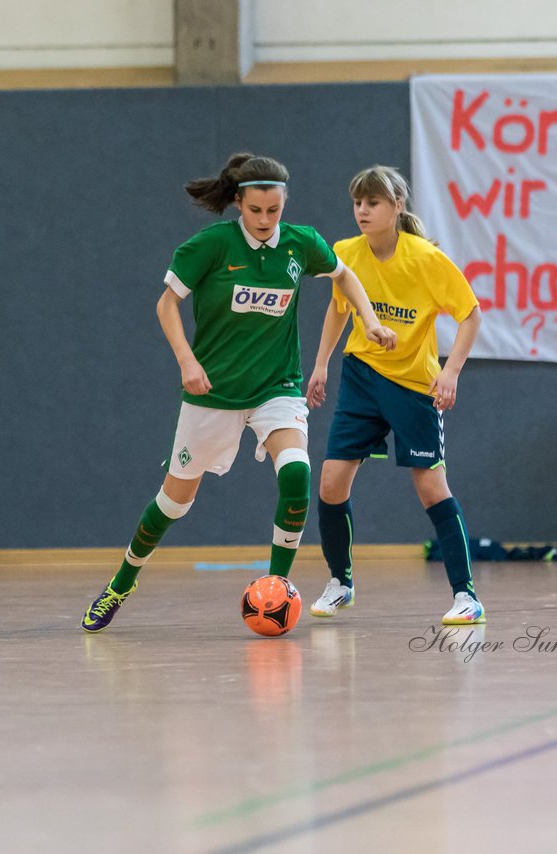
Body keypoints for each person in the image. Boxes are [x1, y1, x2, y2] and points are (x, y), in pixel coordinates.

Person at [80, 153, 393, 632]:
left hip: (277, 387)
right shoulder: (210, 245)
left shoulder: (300, 244)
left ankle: (275, 588)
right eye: (256, 211)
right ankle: (122, 581)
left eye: (275, 210)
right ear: (238, 204)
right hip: (214, 393)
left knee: (296, 474)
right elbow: (166, 305)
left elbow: (345, 275)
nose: (266, 220)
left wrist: (369, 321)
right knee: (173, 504)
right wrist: (187, 361)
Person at [306, 165, 486, 625]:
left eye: (373, 203)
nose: (362, 211)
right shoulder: (345, 252)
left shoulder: (425, 259)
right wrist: (322, 363)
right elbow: (337, 307)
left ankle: (465, 595)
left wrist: (452, 372)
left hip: (412, 386)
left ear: (397, 207)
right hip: (362, 376)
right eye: (358, 203)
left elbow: (470, 314)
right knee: (330, 483)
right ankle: (340, 582)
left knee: (431, 488)